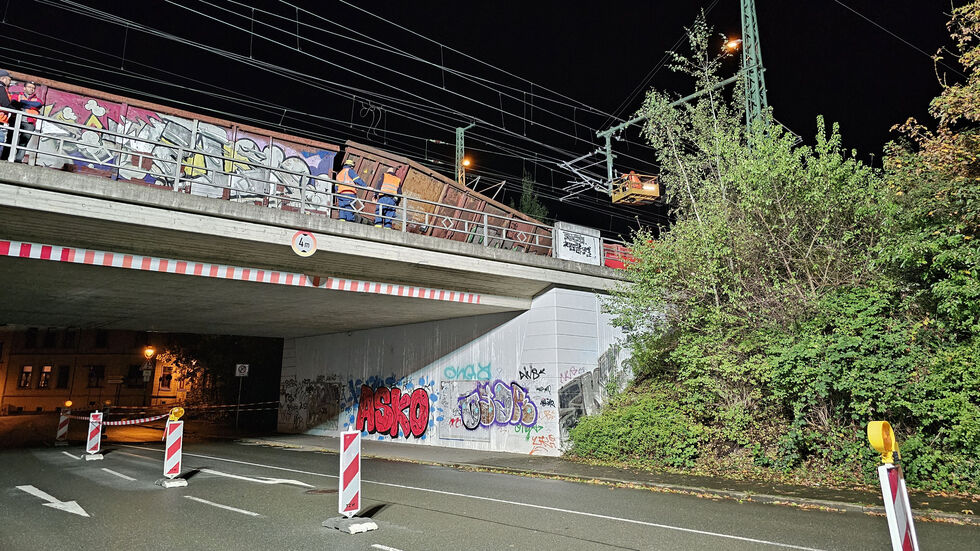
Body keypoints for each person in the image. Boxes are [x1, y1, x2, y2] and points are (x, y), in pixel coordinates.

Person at [14, 82, 41, 163]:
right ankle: (6, 157)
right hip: (16, 120)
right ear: (24, 88)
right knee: (12, 140)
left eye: (33, 88)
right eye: (29, 87)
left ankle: (18, 160)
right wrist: (30, 105)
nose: (31, 89)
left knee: (23, 143)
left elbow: (38, 104)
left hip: (29, 123)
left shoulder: (37, 100)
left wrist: (23, 103)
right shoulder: (17, 95)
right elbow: (14, 103)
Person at [335, 158, 365, 222]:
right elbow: (357, 180)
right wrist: (366, 186)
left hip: (340, 194)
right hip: (349, 193)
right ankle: (350, 222)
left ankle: (342, 221)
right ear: (351, 166)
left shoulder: (340, 173)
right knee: (349, 209)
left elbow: (336, 186)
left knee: (342, 209)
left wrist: (337, 194)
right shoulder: (350, 171)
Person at [0, 70, 14, 161]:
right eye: (9, 80)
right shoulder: (1, 88)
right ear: (3, 79)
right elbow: (5, 104)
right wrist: (15, 110)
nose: (10, 82)